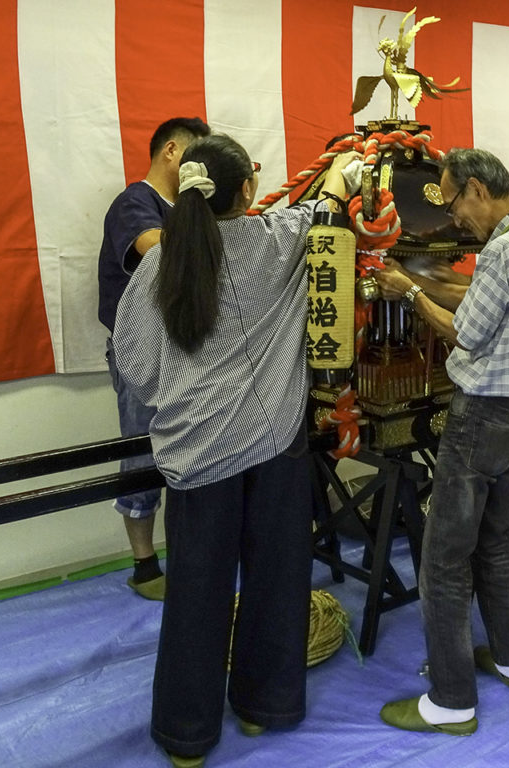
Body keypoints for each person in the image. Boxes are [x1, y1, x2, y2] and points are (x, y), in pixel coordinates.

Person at [112, 134, 358, 767]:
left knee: (196, 592)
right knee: (279, 581)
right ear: (247, 189)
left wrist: (190, 394)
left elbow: (135, 366)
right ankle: (264, 708)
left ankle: (187, 737)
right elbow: (325, 207)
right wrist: (341, 174)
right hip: (275, 446)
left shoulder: (159, 263)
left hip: (195, 455)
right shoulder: (276, 238)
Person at [374, 148, 509, 734]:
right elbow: (489, 309)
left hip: (479, 417)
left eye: (455, 201)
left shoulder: (502, 249)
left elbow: (466, 332)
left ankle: (450, 700)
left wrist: (407, 291)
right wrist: (436, 285)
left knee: (444, 558)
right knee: (498, 542)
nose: (455, 218)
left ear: (478, 189)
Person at [98, 116, 211, 601]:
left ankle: (194, 553)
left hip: (189, 350)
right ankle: (145, 564)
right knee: (142, 452)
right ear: (172, 151)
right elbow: (152, 251)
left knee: (194, 453)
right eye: (197, 157)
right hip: (142, 353)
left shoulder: (194, 210)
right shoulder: (135, 202)